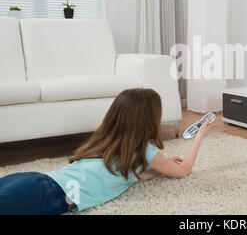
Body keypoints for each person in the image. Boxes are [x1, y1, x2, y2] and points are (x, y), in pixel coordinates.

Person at [0, 88, 213, 215]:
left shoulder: (107, 140)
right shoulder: (145, 150)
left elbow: (123, 177)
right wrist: (200, 134)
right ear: (150, 119)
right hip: (53, 194)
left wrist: (158, 169)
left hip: (37, 180)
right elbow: (184, 169)